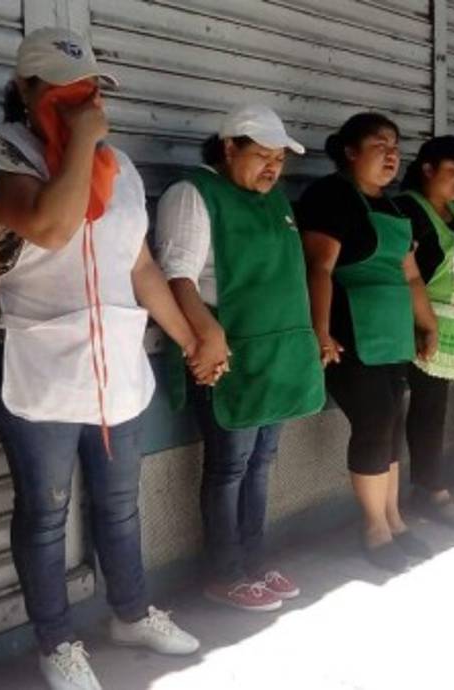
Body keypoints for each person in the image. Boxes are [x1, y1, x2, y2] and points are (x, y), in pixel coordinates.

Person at [0, 28, 204, 690]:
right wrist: (81, 140)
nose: (82, 102)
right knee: (46, 511)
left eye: (90, 91)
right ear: (25, 91)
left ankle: (131, 613)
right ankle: (56, 642)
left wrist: (191, 339)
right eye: (64, 90)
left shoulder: (122, 169)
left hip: (114, 369)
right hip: (39, 367)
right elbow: (52, 226)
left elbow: (141, 268)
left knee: (119, 502)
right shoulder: (3, 153)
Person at [156, 104, 323, 612]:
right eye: (262, 156)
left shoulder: (274, 201)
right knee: (229, 466)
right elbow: (177, 276)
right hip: (230, 357)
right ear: (229, 148)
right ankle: (225, 572)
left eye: (279, 159)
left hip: (275, 357)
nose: (272, 168)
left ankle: (254, 560)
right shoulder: (194, 193)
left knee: (262, 463)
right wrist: (206, 335)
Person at [298, 112, 439, 572]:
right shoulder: (330, 196)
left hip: (393, 333)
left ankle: (394, 519)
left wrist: (428, 324)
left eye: (395, 147)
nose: (392, 155)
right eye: (380, 145)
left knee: (392, 423)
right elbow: (319, 269)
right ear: (350, 151)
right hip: (351, 333)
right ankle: (374, 528)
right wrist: (321, 332)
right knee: (374, 423)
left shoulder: (396, 208)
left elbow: (411, 275)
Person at [393, 135, 454, 527]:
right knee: (414, 410)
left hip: (451, 328)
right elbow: (404, 273)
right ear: (427, 169)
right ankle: (424, 490)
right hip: (416, 324)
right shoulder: (408, 209)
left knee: (432, 408)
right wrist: (422, 324)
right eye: (452, 171)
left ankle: (427, 485)